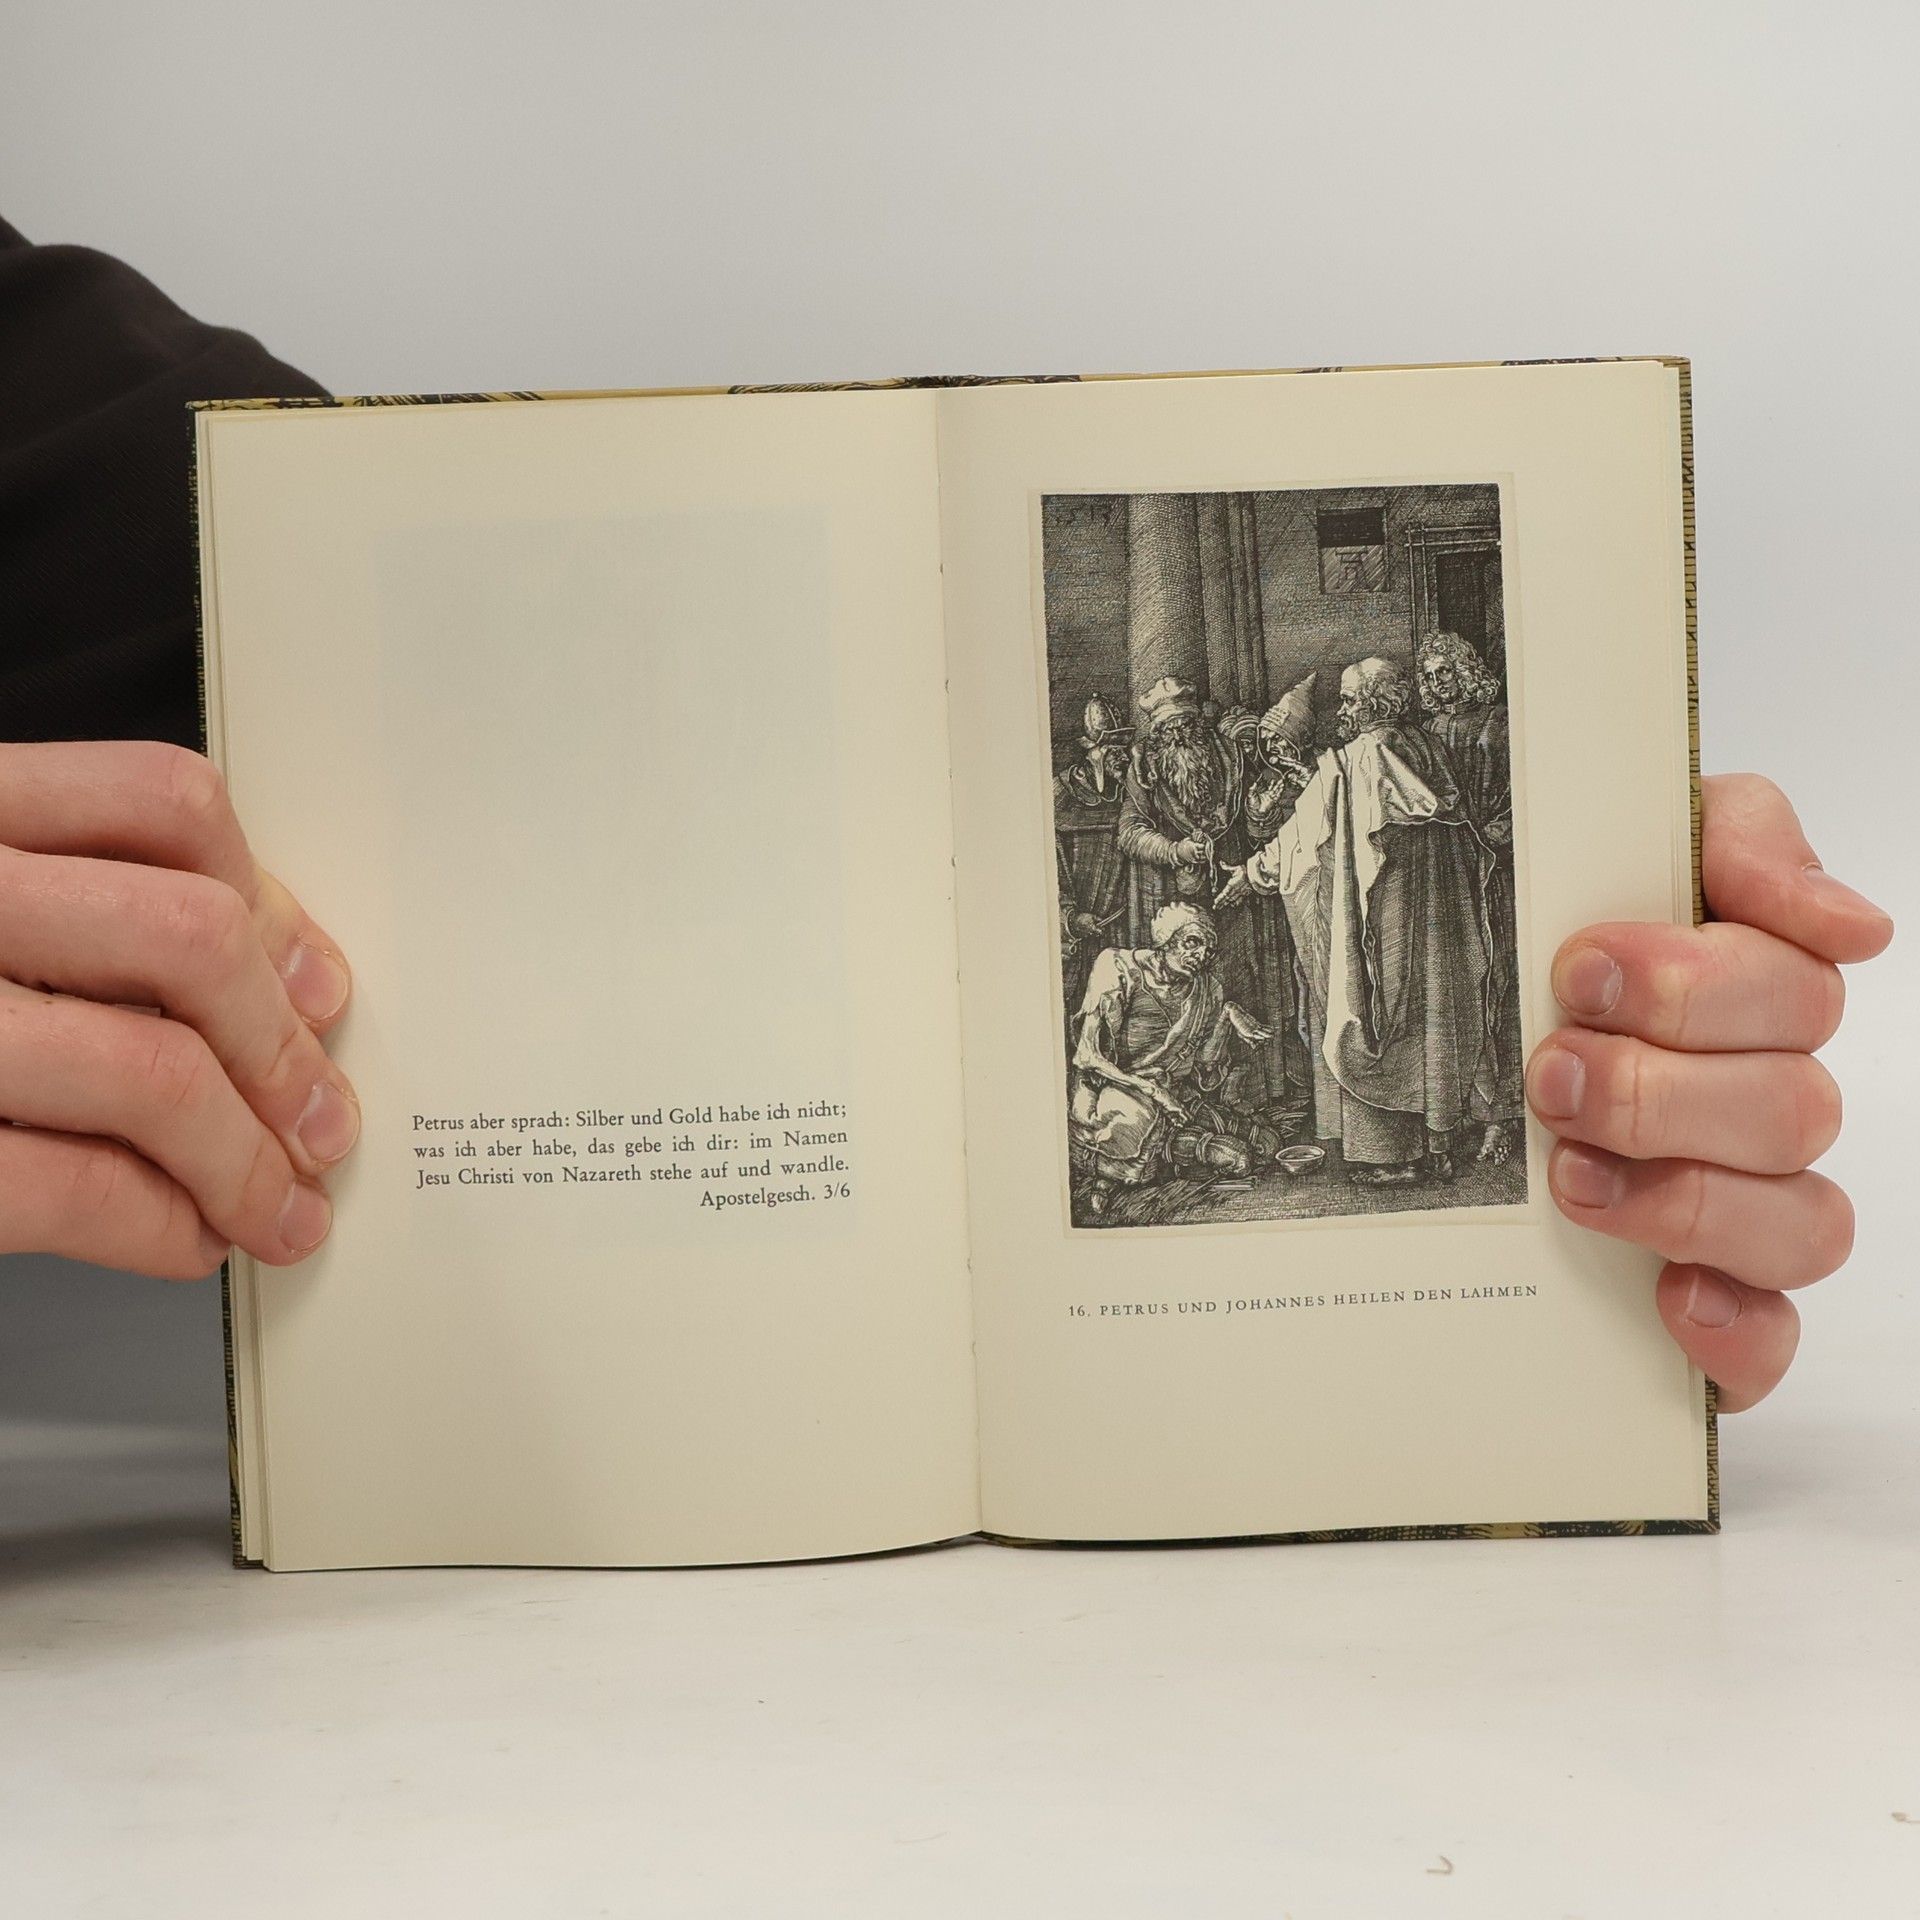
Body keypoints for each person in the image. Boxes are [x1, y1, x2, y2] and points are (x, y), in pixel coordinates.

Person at [0, 217, 1895, 1410]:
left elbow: (353, 670)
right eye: (1391, 694)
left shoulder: (93, 447)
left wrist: (1592, 837)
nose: (1381, 708)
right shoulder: (1187, 827)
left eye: (1416, 702)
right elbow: (1171, 872)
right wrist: (1196, 865)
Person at [1219, 656, 1491, 1186]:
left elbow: (1303, 832)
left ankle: (1391, 1155)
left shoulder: (1359, 757)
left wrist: (1251, 873)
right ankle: (1437, 1144)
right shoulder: (1425, 746)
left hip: (1384, 912)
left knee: (1373, 1015)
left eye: (1348, 700)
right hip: (1435, 918)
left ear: (1372, 704)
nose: (1342, 711)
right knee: (1429, 1014)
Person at [1067, 904, 1279, 1210]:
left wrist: (1228, 1015)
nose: (1201, 955)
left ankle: (1178, 1151)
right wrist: (1155, 1093)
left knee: (1268, 1144)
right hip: (1117, 1092)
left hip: (1175, 1094)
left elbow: (1205, 1067)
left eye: (1208, 950)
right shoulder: (1115, 966)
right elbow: (1087, 1057)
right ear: (1165, 938)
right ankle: (1139, 1165)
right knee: (1234, 1157)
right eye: (1192, 942)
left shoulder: (1207, 988)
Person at [1417, 628, 1524, 1167]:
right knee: (1458, 990)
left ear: (1465, 670)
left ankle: (1504, 1114)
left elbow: (1525, 792)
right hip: (1450, 872)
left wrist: (1494, 835)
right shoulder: (1429, 730)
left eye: (1446, 671)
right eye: (1430, 675)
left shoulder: (1500, 721)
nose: (1439, 682)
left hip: (1498, 869)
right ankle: (1464, 1108)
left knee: (1500, 984)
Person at [1052, 694, 1132, 1016]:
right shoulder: (1060, 795)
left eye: (1124, 747)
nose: (1122, 757)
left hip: (1120, 930)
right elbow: (1046, 871)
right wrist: (1070, 919)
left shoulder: (1130, 795)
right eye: (1113, 748)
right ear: (1093, 752)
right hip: (1077, 934)